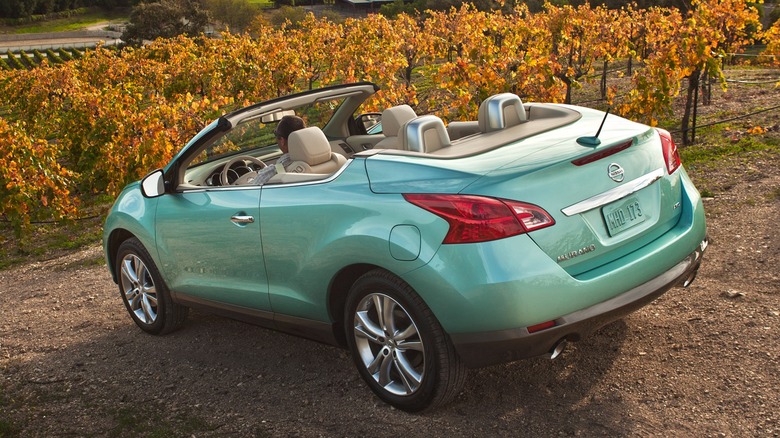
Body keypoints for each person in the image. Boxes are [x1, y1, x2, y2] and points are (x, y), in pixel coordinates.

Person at [253, 115, 305, 185]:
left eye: (276, 134)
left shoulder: (274, 171)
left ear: (282, 141)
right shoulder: (320, 159)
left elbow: (250, 189)